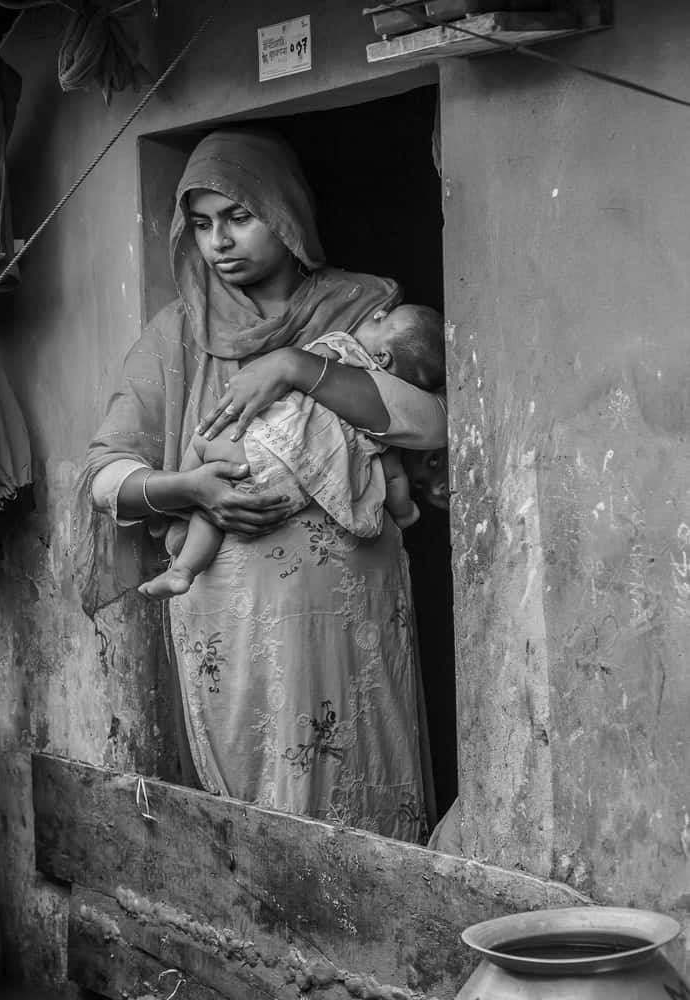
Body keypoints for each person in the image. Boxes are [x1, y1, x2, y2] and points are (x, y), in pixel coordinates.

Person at [77, 129, 448, 842]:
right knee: (263, 814)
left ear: (287, 213)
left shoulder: (363, 316)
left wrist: (293, 366)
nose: (219, 241)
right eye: (202, 223)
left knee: (365, 794)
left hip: (351, 619)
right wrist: (189, 487)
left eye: (239, 217)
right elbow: (104, 475)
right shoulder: (177, 336)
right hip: (235, 624)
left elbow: (429, 425)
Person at [140, 303, 445, 598]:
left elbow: (291, 369)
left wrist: (288, 364)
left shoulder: (341, 349)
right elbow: (393, 477)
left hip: (264, 446)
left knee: (203, 445)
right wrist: (405, 512)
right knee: (221, 505)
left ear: (381, 356)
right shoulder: (384, 424)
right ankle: (184, 568)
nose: (377, 312)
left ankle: (179, 523)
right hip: (297, 485)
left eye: (384, 320)